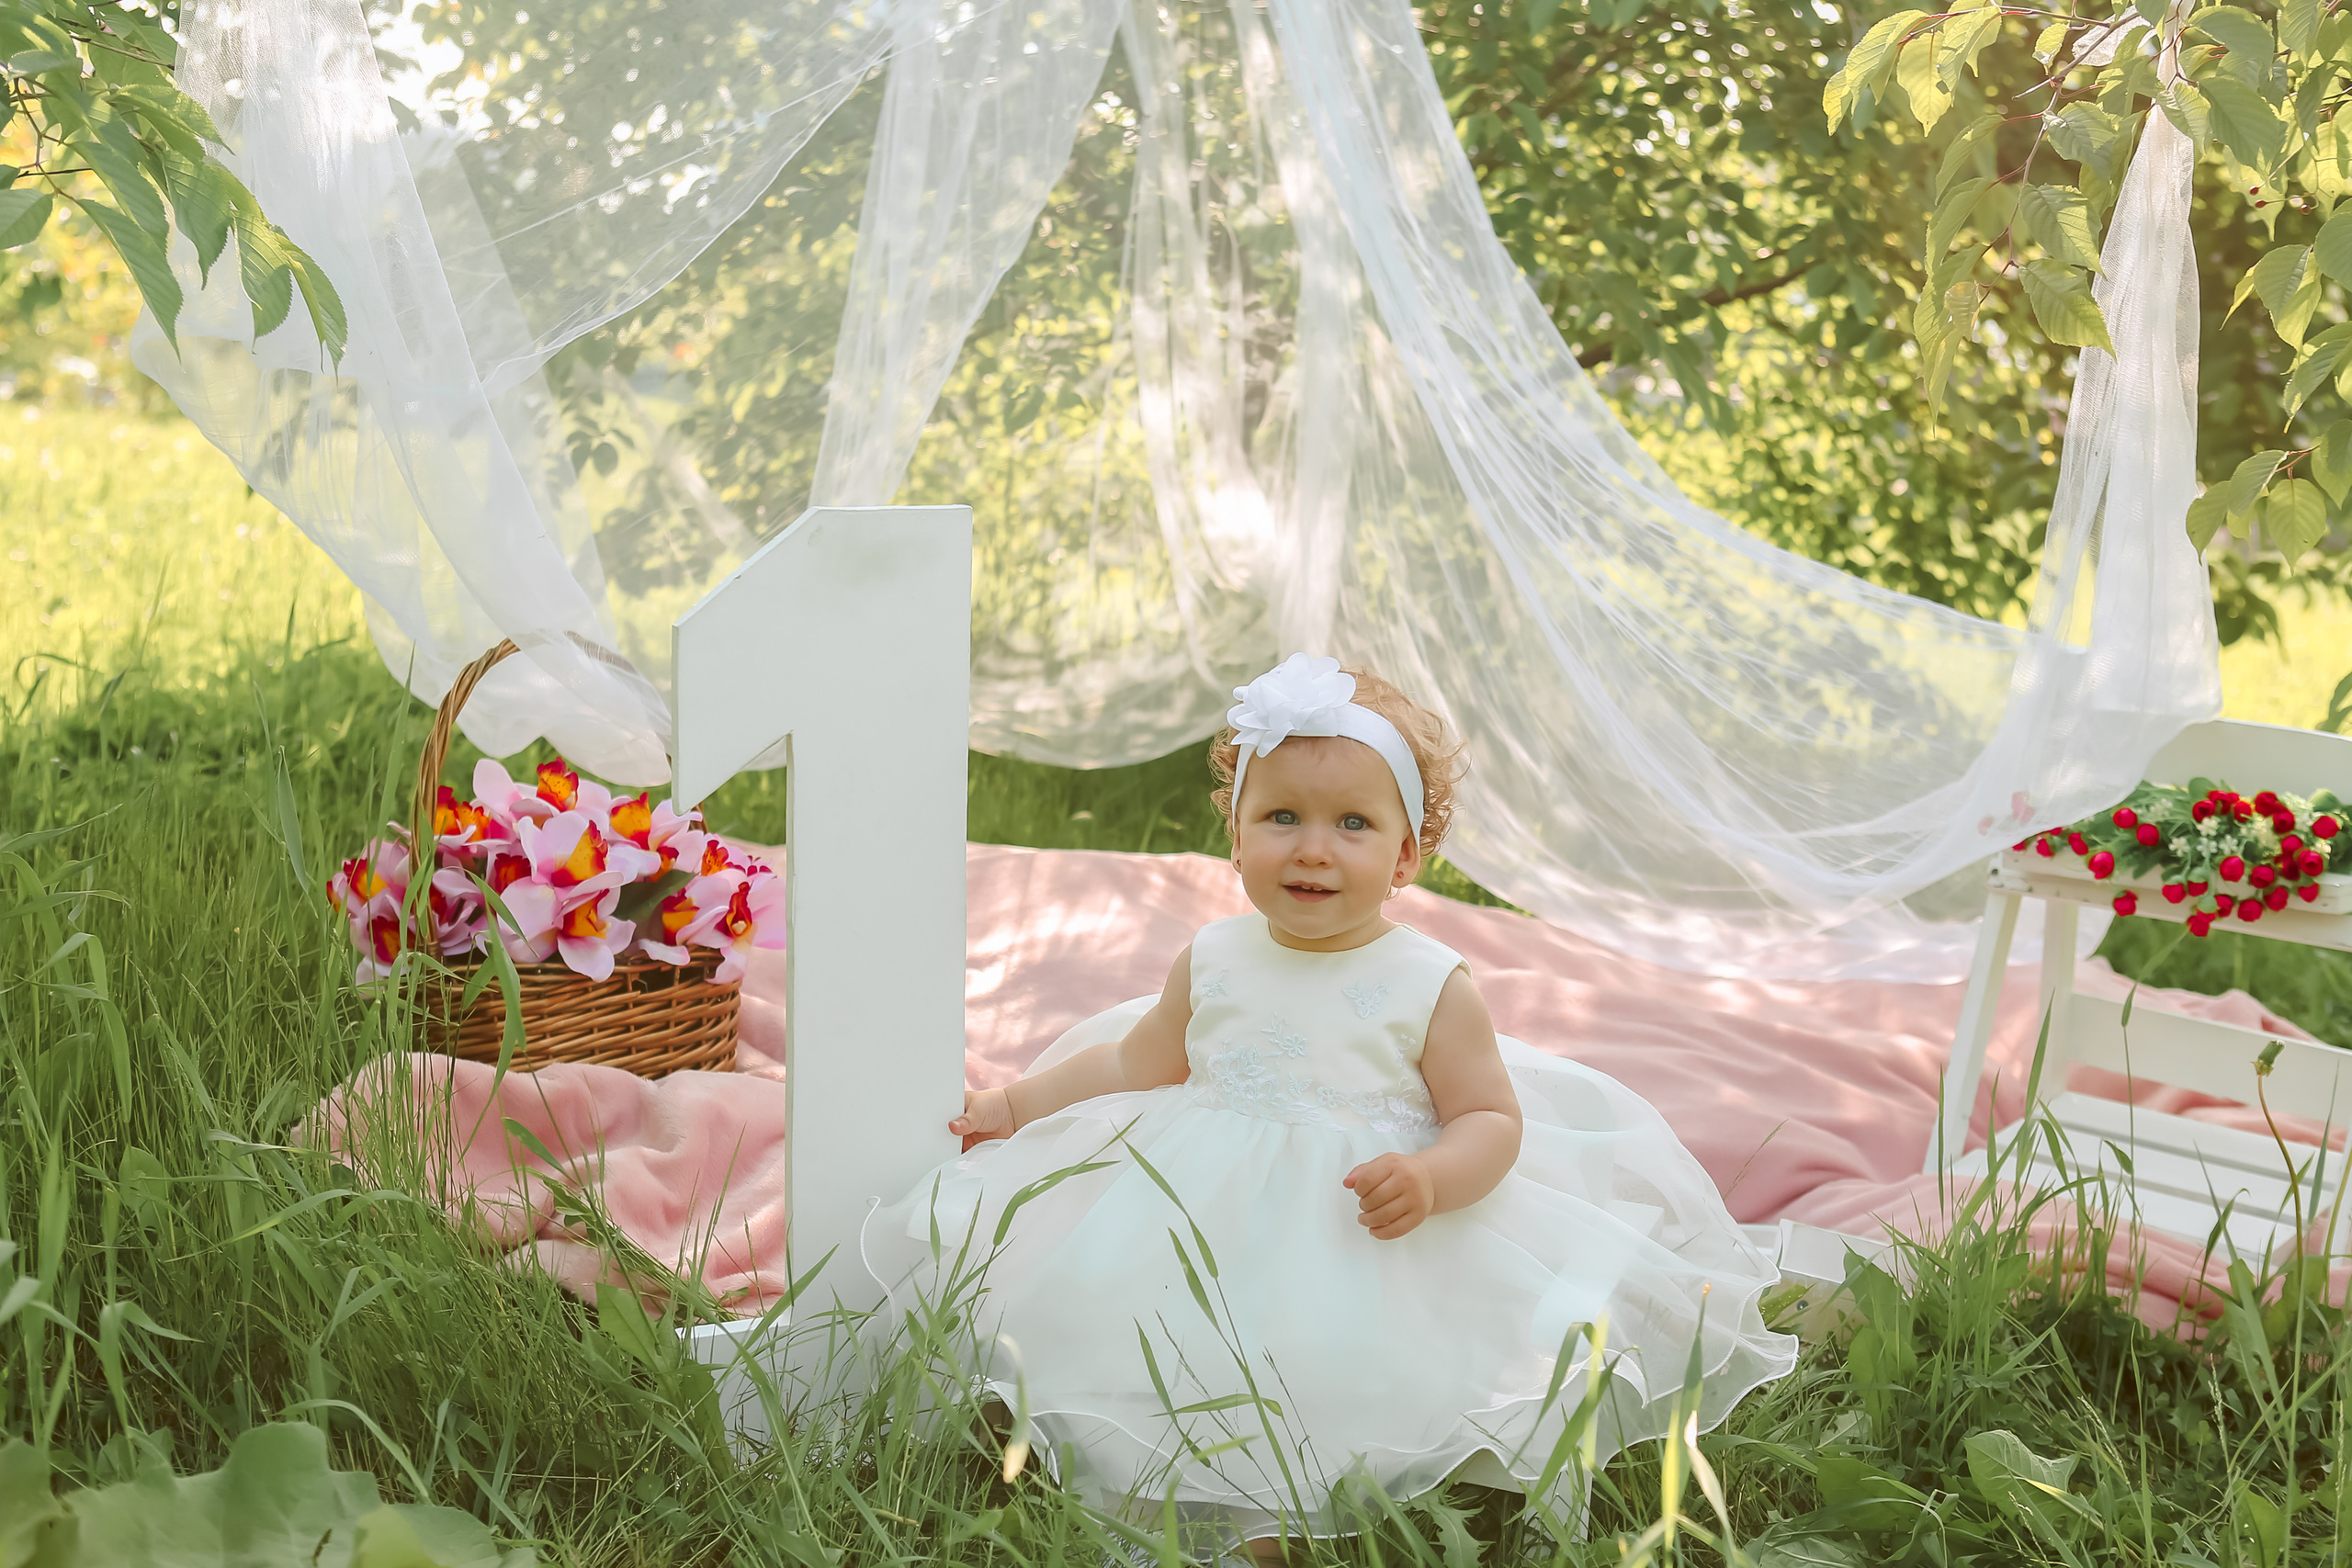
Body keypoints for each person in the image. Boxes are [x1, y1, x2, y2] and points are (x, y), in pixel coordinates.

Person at [862, 654, 1795, 1555]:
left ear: (1408, 854)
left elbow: (1489, 1120)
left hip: (1355, 1226)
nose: (1312, 848)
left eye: (1353, 823)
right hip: (1195, 1210)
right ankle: (1140, 1494)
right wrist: (1014, 1103)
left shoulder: (1429, 982)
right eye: (1279, 817)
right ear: (1234, 835)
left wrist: (1431, 1178)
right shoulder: (1215, 955)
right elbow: (1139, 1060)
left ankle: (1286, 1524)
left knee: (1318, 1379)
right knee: (1152, 1344)